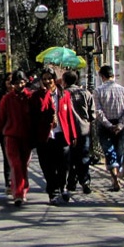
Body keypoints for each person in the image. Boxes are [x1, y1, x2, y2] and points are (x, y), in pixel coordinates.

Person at [32, 67, 77, 204]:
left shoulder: (64, 94)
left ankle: (62, 186)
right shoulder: (37, 95)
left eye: (49, 78)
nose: (47, 81)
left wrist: (73, 134)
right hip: (45, 136)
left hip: (62, 134)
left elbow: (69, 114)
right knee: (47, 166)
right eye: (44, 79)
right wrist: (46, 94)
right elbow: (38, 111)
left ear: (55, 79)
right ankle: (53, 192)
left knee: (63, 164)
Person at [0, 70, 34, 206]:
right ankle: (18, 193)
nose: (19, 85)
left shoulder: (31, 97)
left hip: (27, 138)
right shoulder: (7, 99)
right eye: (16, 83)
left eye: (21, 82)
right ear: (12, 84)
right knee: (15, 164)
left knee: (24, 165)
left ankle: (22, 187)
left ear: (25, 82)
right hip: (11, 137)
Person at [94, 65, 124, 191]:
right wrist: (120, 124)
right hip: (120, 125)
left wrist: (109, 125)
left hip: (105, 126)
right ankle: (117, 175)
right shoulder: (123, 90)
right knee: (119, 150)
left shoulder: (98, 91)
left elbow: (98, 111)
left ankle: (114, 177)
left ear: (102, 76)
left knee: (109, 150)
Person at [63, 70, 95, 194]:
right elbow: (92, 114)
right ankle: (85, 181)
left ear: (65, 81)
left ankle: (71, 182)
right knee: (84, 157)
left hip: (68, 131)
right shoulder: (85, 93)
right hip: (84, 130)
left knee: (70, 158)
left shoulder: (63, 94)